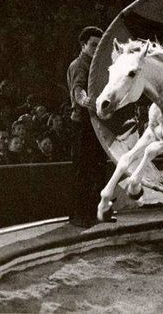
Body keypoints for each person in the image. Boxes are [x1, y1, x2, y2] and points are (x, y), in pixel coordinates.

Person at [67, 26, 112, 227]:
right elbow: (78, 89)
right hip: (83, 125)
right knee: (83, 170)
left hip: (97, 124)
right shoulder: (79, 64)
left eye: (99, 44)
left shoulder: (98, 65)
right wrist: (84, 100)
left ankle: (99, 213)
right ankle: (79, 215)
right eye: (93, 44)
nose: (96, 48)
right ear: (83, 45)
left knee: (98, 169)